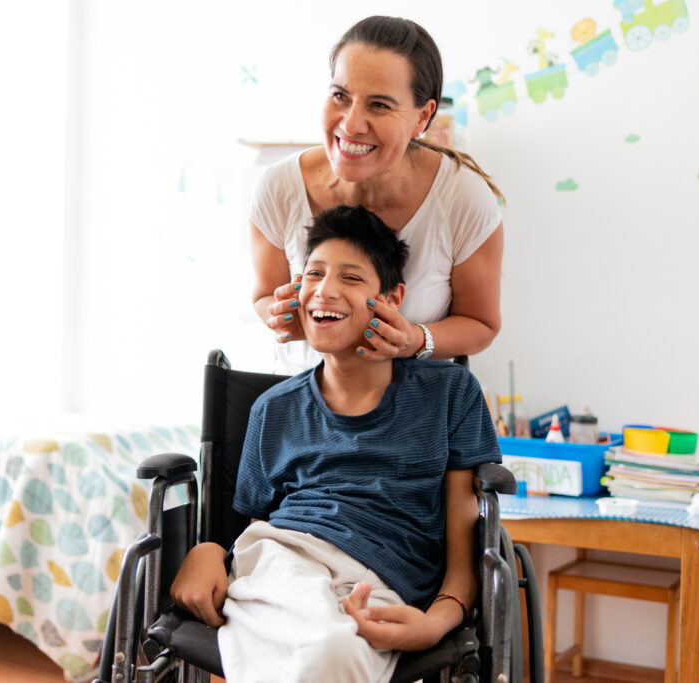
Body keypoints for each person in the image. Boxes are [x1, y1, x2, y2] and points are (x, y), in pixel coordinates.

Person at [171, 205, 501, 683]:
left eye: (350, 277)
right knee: (326, 648)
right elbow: (251, 525)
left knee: (334, 650)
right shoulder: (273, 408)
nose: (324, 290)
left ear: (391, 298)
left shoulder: (450, 394)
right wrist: (206, 551)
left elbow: (464, 551)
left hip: (385, 583)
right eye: (313, 274)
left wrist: (436, 622)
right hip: (283, 562)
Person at [252, 15, 505, 375]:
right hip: (305, 416)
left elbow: (481, 325)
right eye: (340, 95)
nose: (351, 124)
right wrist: (281, 316)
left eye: (380, 105)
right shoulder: (277, 188)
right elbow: (264, 296)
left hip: (413, 420)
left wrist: (415, 340)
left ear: (423, 117)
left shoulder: (462, 198)